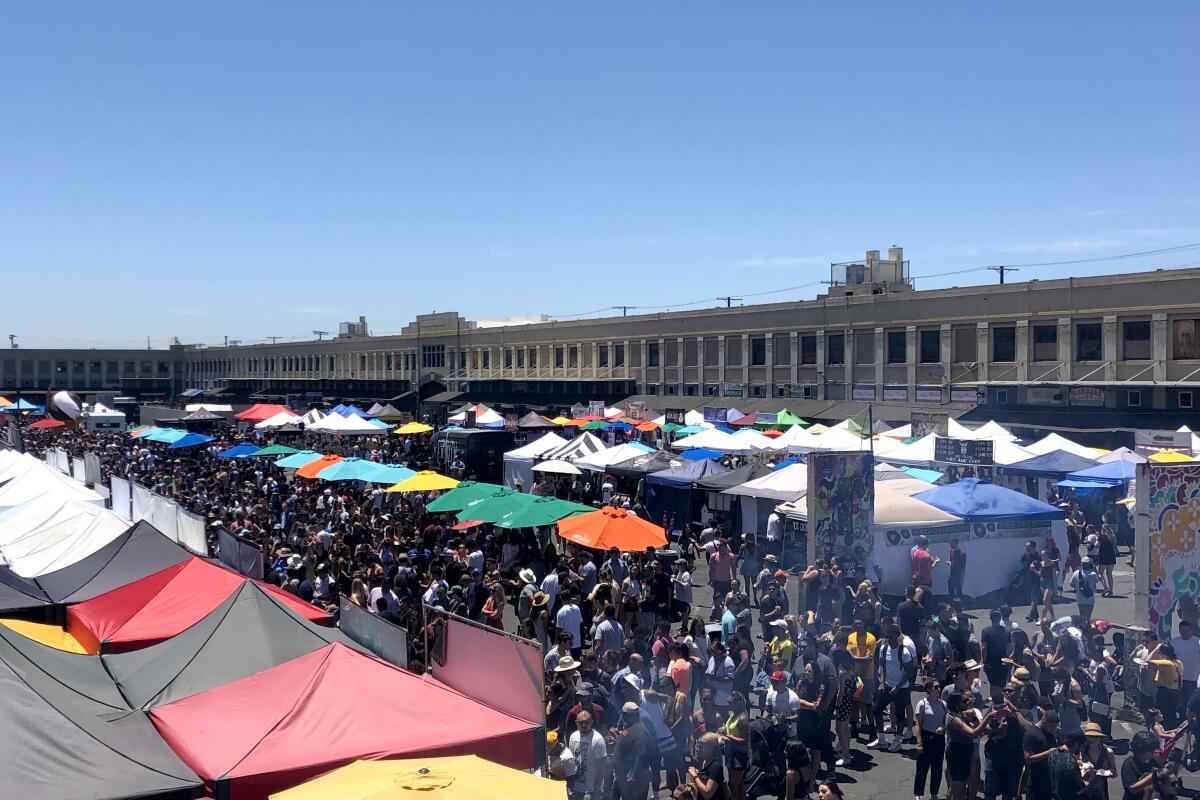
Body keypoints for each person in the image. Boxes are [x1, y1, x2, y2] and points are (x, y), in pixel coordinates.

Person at [870, 624, 916, 752]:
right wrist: (882, 682)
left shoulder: (904, 652)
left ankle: (898, 740)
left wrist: (898, 686)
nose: (888, 638)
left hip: (901, 688)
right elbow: (883, 666)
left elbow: (909, 672)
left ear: (897, 636)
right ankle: (881, 739)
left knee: (900, 715)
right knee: (876, 709)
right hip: (887, 686)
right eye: (887, 635)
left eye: (890, 635)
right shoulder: (884, 649)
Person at [945, 692, 992, 800]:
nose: (966, 703)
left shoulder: (960, 714)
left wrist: (974, 717)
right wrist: (987, 718)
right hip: (958, 752)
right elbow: (973, 733)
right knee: (958, 786)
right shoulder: (955, 719)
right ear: (957, 704)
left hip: (964, 750)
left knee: (960, 783)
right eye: (963, 701)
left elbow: (973, 725)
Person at [913, 678, 947, 800]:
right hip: (926, 737)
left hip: (939, 739)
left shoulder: (943, 704)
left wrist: (943, 727)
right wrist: (919, 742)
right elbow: (918, 724)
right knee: (922, 767)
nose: (939, 689)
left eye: (939, 687)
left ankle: (934, 793)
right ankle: (918, 793)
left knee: (937, 768)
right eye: (936, 687)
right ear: (928, 689)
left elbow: (946, 721)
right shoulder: (922, 704)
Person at [612, 700, 653, 800]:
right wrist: (617, 741)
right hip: (621, 775)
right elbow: (628, 742)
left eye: (624, 715)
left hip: (632, 779)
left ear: (631, 715)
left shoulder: (639, 732)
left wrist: (632, 777)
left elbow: (641, 756)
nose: (623, 717)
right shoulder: (630, 727)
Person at [568, 710, 609, 800]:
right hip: (576, 788)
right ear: (576, 723)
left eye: (586, 722)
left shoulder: (598, 740)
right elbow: (571, 761)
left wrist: (595, 790)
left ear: (591, 722)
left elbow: (602, 768)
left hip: (591, 789)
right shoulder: (573, 737)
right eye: (581, 723)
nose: (584, 725)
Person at [718, 691, 749, 800]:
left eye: (730, 703)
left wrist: (728, 736)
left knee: (734, 786)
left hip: (737, 756)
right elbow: (729, 730)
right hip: (730, 753)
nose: (728, 704)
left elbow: (744, 740)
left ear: (738, 703)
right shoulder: (732, 715)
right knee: (738, 786)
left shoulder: (742, 719)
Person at [1024, 709, 1060, 800]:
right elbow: (1028, 759)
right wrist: (1048, 753)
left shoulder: (1050, 733)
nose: (1054, 729)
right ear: (1044, 721)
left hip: (1049, 782)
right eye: (1052, 726)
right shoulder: (1031, 734)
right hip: (1036, 783)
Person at [1146, 641, 1185, 728]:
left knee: (1160, 716)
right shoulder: (1178, 662)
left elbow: (1148, 660)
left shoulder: (1166, 663)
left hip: (1165, 692)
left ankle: (1161, 734)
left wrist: (1156, 649)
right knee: (1171, 715)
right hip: (1175, 692)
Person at [1121, 731, 1162, 800]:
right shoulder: (1129, 764)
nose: (1154, 752)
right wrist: (1152, 776)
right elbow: (1132, 789)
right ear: (1141, 750)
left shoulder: (1156, 761)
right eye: (1151, 750)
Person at [1169, 619, 1199, 714]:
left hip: (1192, 678)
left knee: (1190, 704)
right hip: (1176, 678)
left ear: (1191, 630)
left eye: (1187, 630)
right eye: (1183, 630)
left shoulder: (1197, 642)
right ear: (1179, 630)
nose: (1185, 632)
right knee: (1177, 702)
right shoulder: (1174, 642)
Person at [1080, 721, 1116, 800]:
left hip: (1101, 791)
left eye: (1096, 736)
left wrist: (1099, 772)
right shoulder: (1081, 752)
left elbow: (1114, 773)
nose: (1093, 738)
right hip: (1085, 790)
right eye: (1090, 736)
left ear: (1101, 738)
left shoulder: (1108, 752)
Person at [981, 609, 1012, 691]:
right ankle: (1001, 701)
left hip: (991, 663)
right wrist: (1009, 660)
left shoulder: (986, 631)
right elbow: (1009, 648)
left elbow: (984, 648)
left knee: (993, 684)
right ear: (1000, 618)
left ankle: (994, 701)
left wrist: (984, 661)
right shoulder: (1006, 631)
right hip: (1003, 662)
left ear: (990, 618)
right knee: (1002, 685)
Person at [689, 732, 726, 800]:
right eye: (698, 747)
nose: (699, 750)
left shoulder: (715, 766)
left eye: (702, 747)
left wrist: (694, 776)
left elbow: (707, 794)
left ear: (711, 747)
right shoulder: (703, 761)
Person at [1071, 558, 1099, 623]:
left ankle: (1082, 629)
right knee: (1088, 617)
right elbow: (1096, 581)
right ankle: (1086, 629)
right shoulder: (1093, 574)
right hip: (1090, 599)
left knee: (1082, 616)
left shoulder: (1076, 573)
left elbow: (1071, 584)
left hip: (1080, 599)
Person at [948, 537, 967, 602]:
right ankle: (951, 606)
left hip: (958, 576)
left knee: (959, 592)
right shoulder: (951, 551)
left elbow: (963, 568)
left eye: (952, 543)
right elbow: (952, 561)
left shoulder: (962, 553)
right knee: (951, 592)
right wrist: (949, 563)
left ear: (956, 543)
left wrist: (962, 579)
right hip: (952, 575)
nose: (950, 544)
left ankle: (959, 606)